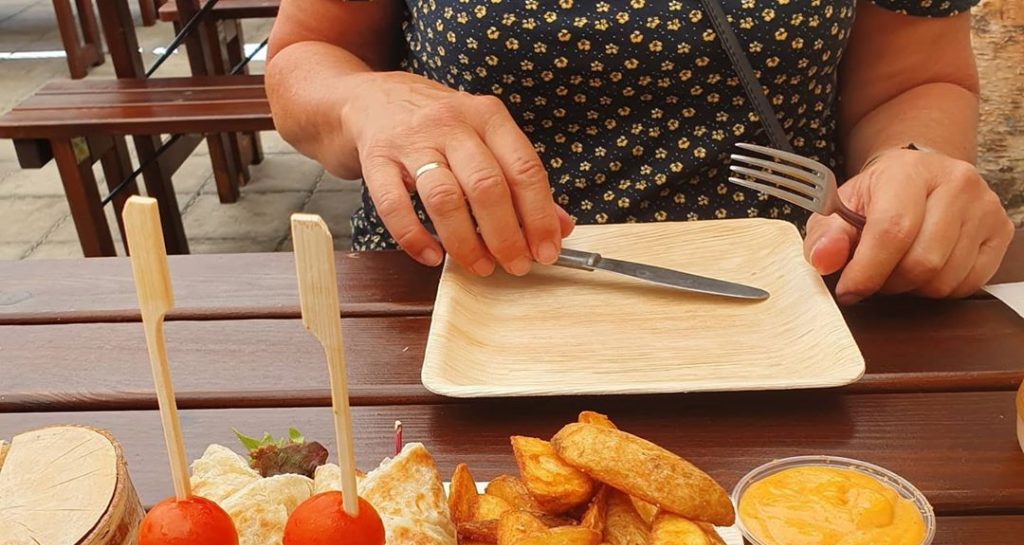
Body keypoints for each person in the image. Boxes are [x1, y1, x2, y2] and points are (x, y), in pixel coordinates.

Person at [266, 0, 1014, 302]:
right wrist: (369, 102)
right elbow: (308, 53)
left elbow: (917, 77)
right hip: (456, 297)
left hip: (789, 303)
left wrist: (910, 168)